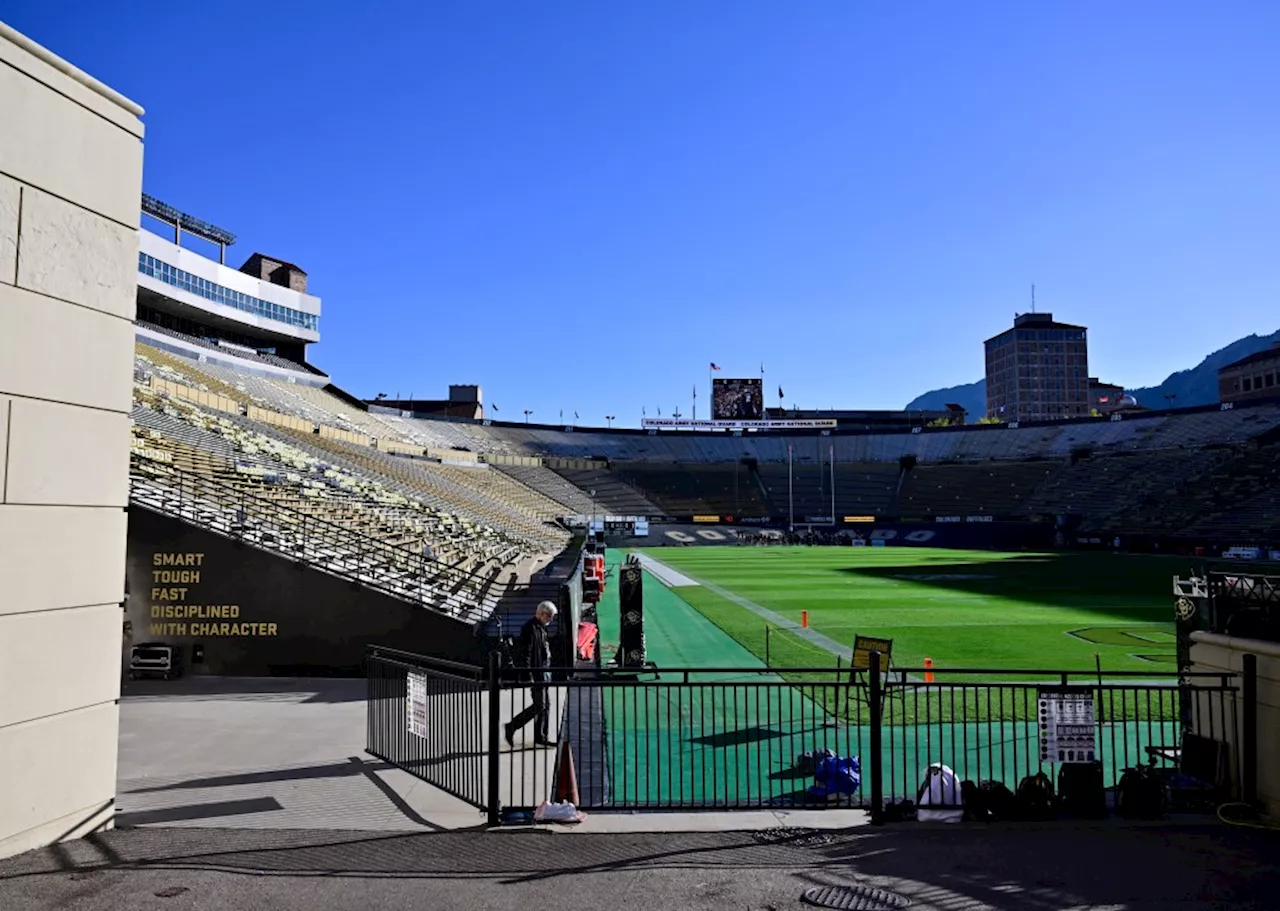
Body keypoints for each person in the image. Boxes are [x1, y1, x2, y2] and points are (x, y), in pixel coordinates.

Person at [504, 601, 557, 747]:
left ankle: (541, 736)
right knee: (540, 705)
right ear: (541, 613)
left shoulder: (541, 628)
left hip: (543, 672)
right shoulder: (530, 628)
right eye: (549, 616)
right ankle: (512, 726)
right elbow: (525, 654)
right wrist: (529, 676)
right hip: (537, 673)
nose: (550, 620)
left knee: (546, 706)